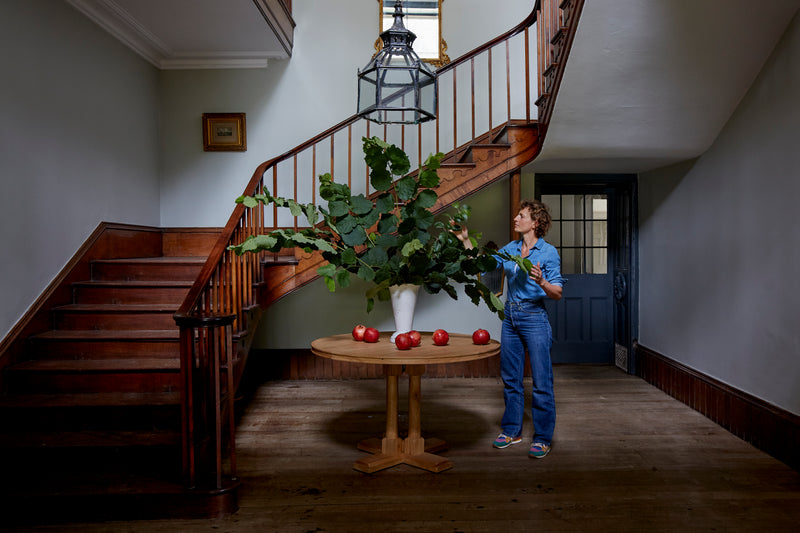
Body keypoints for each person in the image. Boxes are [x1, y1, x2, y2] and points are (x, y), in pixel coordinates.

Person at [456, 199, 563, 458]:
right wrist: (465, 240)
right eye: (517, 214)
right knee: (511, 380)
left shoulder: (547, 252)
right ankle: (512, 431)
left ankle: (542, 438)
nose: (516, 218)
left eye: (522, 215)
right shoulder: (512, 249)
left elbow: (557, 292)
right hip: (511, 317)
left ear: (536, 222)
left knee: (541, 382)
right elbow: (483, 264)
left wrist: (542, 281)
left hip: (534, 317)